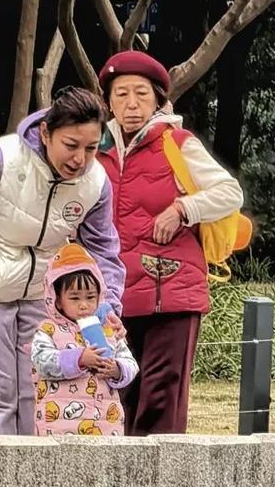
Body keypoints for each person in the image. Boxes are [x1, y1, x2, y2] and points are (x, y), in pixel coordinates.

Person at [0, 87, 124, 436]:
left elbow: (103, 249)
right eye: (71, 145)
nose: (80, 159)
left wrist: (107, 306)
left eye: (91, 148)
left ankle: (34, 485)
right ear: (46, 133)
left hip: (42, 296)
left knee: (39, 392)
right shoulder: (0, 158)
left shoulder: (96, 182)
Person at [96, 49, 243, 435]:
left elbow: (230, 193)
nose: (131, 104)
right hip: (112, 292)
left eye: (141, 94)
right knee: (119, 390)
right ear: (108, 101)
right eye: (122, 94)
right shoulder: (97, 149)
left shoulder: (176, 143)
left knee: (161, 394)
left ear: (159, 100)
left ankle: (161, 485)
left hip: (170, 289)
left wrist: (182, 209)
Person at [31, 242, 138, 438]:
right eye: (74, 298)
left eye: (90, 297)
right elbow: (41, 362)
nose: (84, 305)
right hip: (59, 428)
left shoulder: (108, 329)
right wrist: (79, 358)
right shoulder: (49, 330)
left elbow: (131, 363)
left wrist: (117, 369)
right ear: (57, 300)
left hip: (106, 424)